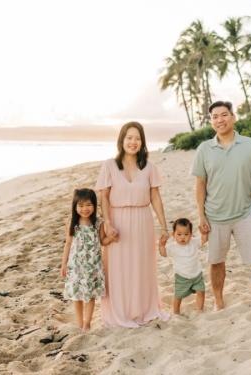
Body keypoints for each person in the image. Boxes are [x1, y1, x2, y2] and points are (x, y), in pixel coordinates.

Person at [191, 100, 251, 312]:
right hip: (215, 216)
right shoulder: (204, 149)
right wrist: (201, 216)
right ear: (211, 121)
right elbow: (200, 185)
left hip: (245, 214)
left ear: (233, 117)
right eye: (215, 117)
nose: (220, 120)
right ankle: (218, 301)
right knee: (216, 262)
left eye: (224, 115)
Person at [95, 121, 170, 327]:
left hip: (142, 220)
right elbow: (104, 196)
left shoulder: (149, 167)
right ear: (122, 140)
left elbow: (155, 197)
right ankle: (121, 311)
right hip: (117, 221)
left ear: (142, 142)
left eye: (137, 138)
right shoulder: (109, 165)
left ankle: (142, 309)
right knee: (118, 269)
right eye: (129, 138)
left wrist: (164, 226)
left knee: (141, 266)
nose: (133, 142)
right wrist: (107, 222)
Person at [60, 188, 117, 332]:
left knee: (90, 295)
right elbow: (68, 244)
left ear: (95, 205)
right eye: (80, 205)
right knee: (77, 296)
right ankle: (80, 323)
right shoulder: (73, 223)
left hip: (93, 265)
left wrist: (111, 238)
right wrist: (63, 264)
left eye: (88, 205)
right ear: (75, 207)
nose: (85, 209)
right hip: (76, 266)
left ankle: (87, 323)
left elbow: (102, 241)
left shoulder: (98, 223)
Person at [159, 218, 207, 315]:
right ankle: (176, 312)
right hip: (182, 276)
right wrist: (161, 245)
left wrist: (204, 234)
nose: (183, 237)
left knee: (201, 291)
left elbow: (203, 241)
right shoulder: (173, 247)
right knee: (178, 296)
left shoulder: (194, 242)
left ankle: (200, 310)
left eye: (186, 234)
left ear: (191, 234)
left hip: (196, 274)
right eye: (179, 234)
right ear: (174, 235)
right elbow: (163, 254)